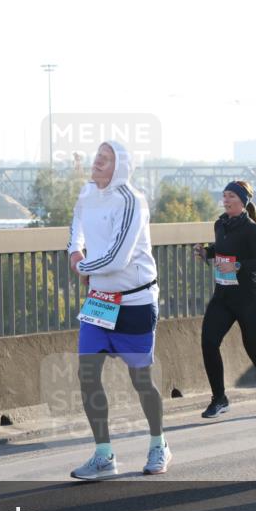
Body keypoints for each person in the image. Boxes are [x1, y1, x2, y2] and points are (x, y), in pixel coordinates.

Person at [67, 140, 168, 480]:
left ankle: (158, 443)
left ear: (120, 168)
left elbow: (118, 257)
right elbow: (76, 228)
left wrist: (84, 267)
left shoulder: (132, 201)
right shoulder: (86, 194)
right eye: (97, 156)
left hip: (134, 300)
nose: (97, 162)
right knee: (87, 374)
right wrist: (74, 252)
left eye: (105, 159)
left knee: (141, 379)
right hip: (99, 301)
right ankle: (103, 454)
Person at [194, 181, 256, 419]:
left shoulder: (251, 228)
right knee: (209, 343)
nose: (226, 199)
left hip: (249, 299)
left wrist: (239, 265)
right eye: (224, 195)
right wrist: (207, 252)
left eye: (231, 195)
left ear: (243, 201)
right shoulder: (220, 224)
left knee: (254, 349)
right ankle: (219, 398)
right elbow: (222, 248)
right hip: (223, 295)